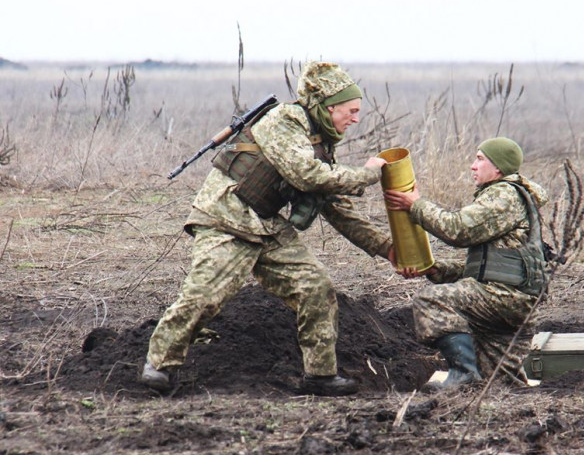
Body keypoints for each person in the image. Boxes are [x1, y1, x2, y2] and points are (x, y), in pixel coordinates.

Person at [142, 61, 394, 396]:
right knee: (205, 296)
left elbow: (338, 209)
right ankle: (159, 365)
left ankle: (320, 375)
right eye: (352, 110)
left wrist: (387, 248)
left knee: (315, 286)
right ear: (329, 106)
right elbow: (306, 175)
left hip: (266, 226)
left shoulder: (320, 142)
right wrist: (368, 174)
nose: (356, 118)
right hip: (225, 219)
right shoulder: (286, 121)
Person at [384, 137, 549, 391]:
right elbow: (491, 267)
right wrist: (435, 269)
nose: (473, 166)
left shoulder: (503, 194)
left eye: (480, 159)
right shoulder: (514, 199)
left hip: (502, 298)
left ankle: (462, 373)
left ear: (499, 169)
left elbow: (458, 230)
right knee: (498, 388)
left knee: (431, 300)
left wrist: (415, 206)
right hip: (513, 303)